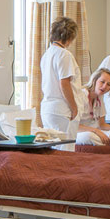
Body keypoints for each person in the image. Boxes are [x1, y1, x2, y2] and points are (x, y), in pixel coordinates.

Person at [39, 18, 83, 150]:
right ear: (70, 37)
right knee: (66, 152)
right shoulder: (64, 55)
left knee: (54, 152)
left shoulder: (47, 54)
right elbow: (64, 83)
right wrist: (74, 107)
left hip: (48, 109)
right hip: (62, 110)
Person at [75, 68, 110, 146]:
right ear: (94, 80)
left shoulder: (100, 98)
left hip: (95, 131)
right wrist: (96, 131)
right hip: (79, 133)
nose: (104, 86)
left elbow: (102, 125)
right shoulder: (81, 95)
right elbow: (74, 126)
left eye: (108, 84)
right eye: (102, 82)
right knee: (88, 136)